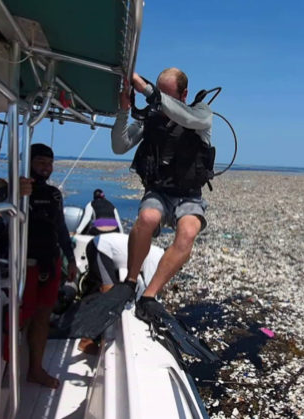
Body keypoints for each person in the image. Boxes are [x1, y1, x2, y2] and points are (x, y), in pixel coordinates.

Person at [68, 67, 214, 338]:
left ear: (184, 94)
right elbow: (119, 146)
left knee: (188, 232)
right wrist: (124, 112)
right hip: (159, 191)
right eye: (159, 94)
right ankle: (130, 281)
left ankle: (149, 296)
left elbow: (181, 115)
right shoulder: (151, 119)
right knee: (146, 219)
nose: (160, 103)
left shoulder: (201, 113)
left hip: (188, 196)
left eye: (166, 96)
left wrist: (148, 91)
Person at [21, 143, 78, 388]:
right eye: (41, 162)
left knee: (43, 316)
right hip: (24, 265)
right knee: (20, 318)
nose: (47, 168)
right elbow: (3, 213)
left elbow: (61, 229)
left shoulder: (54, 195)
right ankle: (4, 368)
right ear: (29, 163)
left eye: (50, 163)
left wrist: (71, 258)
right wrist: (15, 193)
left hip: (50, 262)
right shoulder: (15, 189)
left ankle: (35, 369)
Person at [74, 232, 164, 354]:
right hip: (100, 248)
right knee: (109, 293)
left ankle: (84, 328)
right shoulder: (156, 258)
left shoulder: (155, 251)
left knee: (95, 292)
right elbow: (150, 292)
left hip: (98, 246)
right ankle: (86, 340)